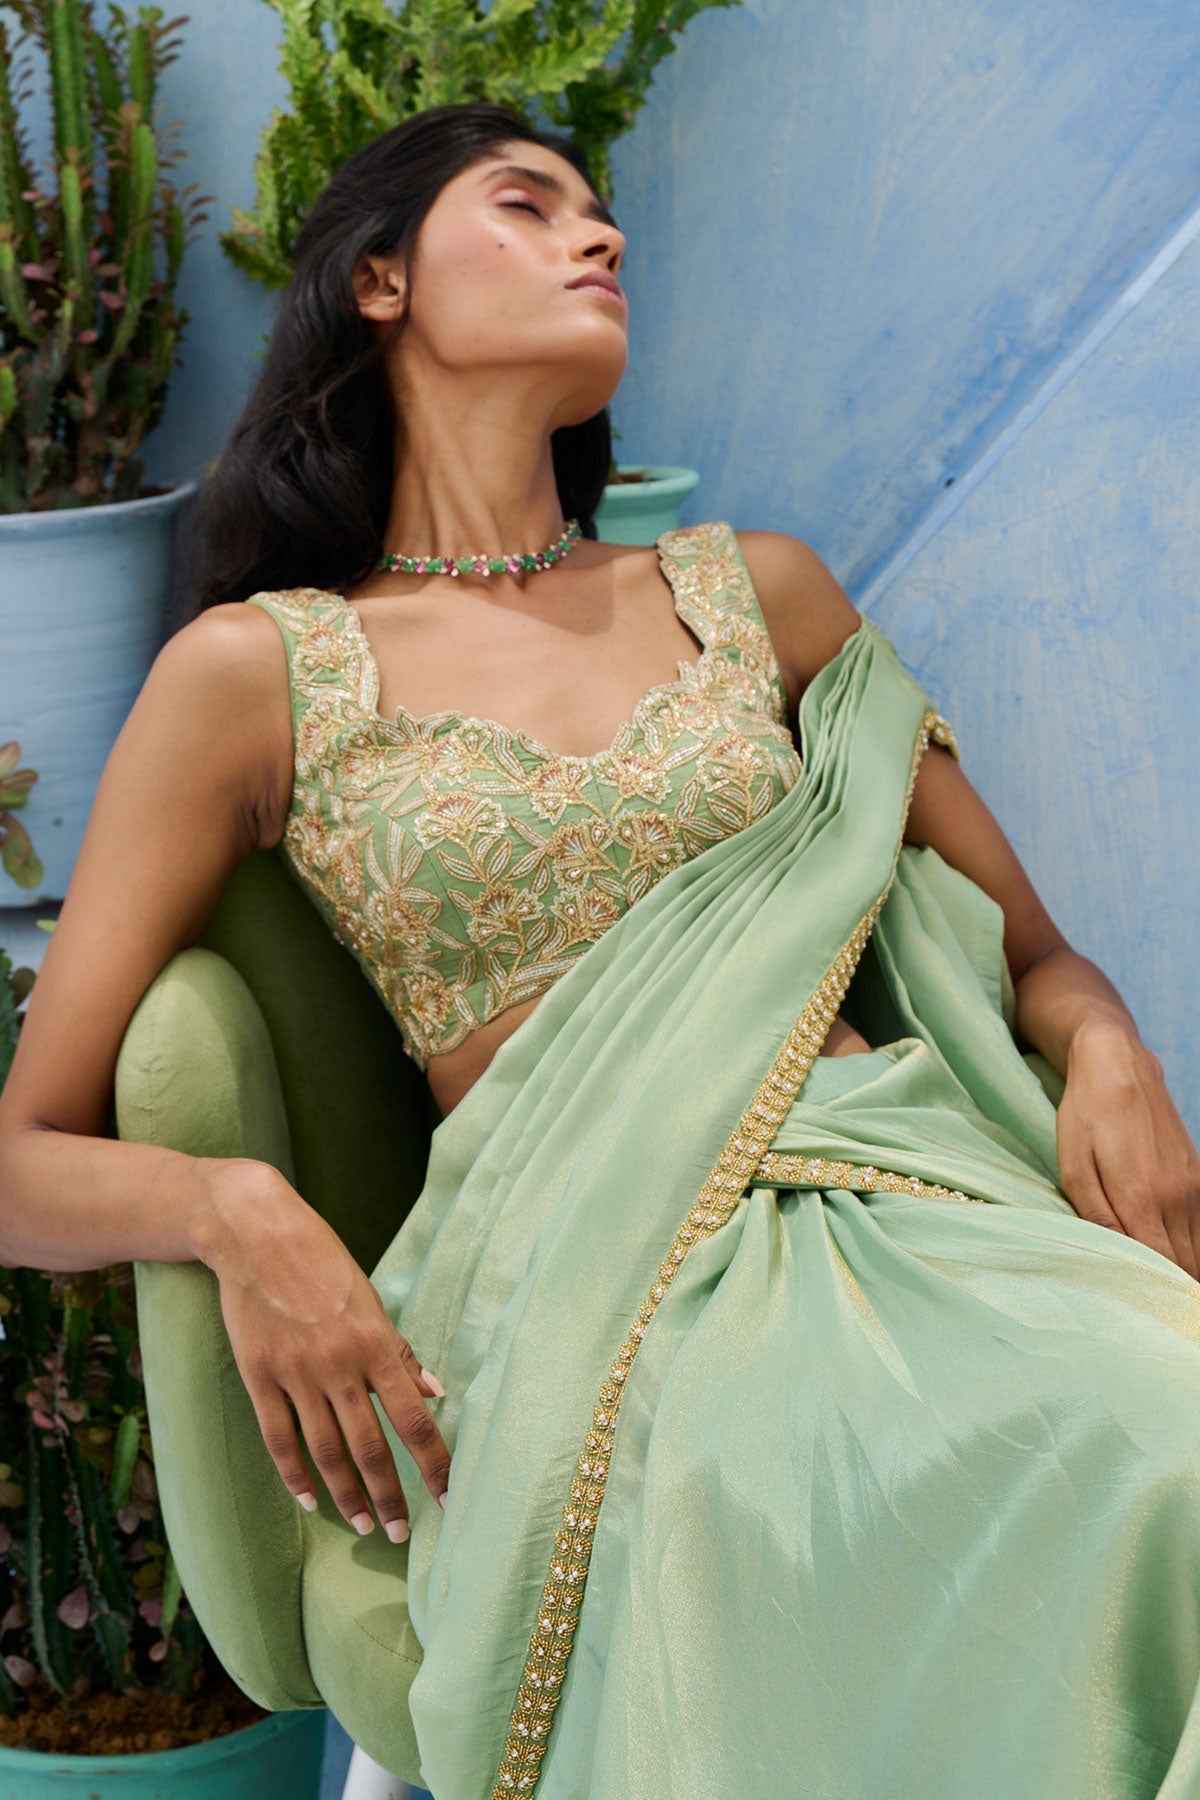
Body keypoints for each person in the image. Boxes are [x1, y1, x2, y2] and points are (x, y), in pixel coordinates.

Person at [2, 98, 1199, 1800]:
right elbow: (20, 1160)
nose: (601, 234)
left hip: (919, 1191)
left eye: (600, 210)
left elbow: (1041, 963)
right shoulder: (260, 672)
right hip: (595, 1289)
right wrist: (233, 1208)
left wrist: (1111, 1048)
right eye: (528, 202)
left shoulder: (761, 594)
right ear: (380, 283)